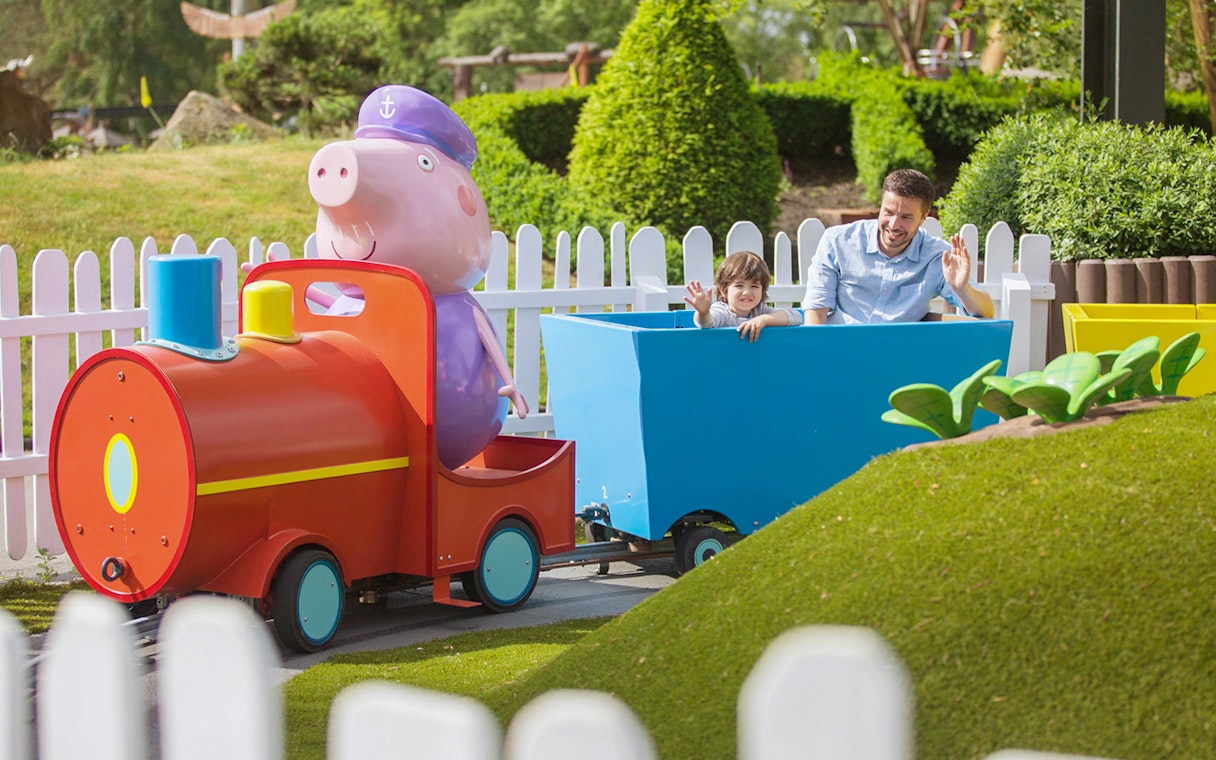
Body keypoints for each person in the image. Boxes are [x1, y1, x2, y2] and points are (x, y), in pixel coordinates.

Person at [802, 168, 994, 325]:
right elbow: (816, 309)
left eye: (906, 217)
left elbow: (986, 311)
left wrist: (962, 288)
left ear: (924, 217)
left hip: (901, 355)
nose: (893, 225)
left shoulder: (938, 257)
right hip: (841, 349)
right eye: (888, 212)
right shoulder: (838, 241)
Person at [684, 250, 800, 341]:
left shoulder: (760, 311)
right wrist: (703, 313)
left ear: (763, 291)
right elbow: (706, 324)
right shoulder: (723, 311)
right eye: (739, 285)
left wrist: (764, 319)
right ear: (724, 290)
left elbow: (796, 317)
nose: (747, 292)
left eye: (754, 286)